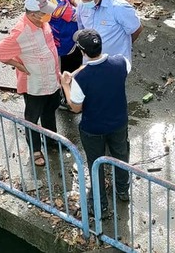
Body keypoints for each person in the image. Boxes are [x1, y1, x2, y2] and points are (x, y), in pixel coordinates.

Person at [61, 29, 131, 215]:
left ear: (82, 52)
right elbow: (101, 67)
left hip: (93, 128)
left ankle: (100, 204)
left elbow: (75, 107)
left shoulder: (81, 80)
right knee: (121, 156)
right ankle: (123, 190)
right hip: (118, 122)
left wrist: (66, 85)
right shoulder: (120, 62)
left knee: (96, 163)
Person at [0, 0, 61, 167]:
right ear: (32, 14)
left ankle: (52, 140)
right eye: (44, 13)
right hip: (34, 84)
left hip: (52, 79)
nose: (48, 15)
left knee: (50, 111)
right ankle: (36, 149)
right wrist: (19, 65)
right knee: (32, 117)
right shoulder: (20, 31)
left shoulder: (43, 23)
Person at [76, 0, 143, 63]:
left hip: (114, 63)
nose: (85, 2)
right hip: (90, 62)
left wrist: (126, 45)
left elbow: (137, 29)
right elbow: (81, 28)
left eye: (88, 0)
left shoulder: (119, 7)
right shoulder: (82, 5)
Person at [43, 0, 81, 74]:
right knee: (70, 66)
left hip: (64, 31)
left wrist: (75, 2)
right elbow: (75, 16)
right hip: (64, 36)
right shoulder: (57, 3)